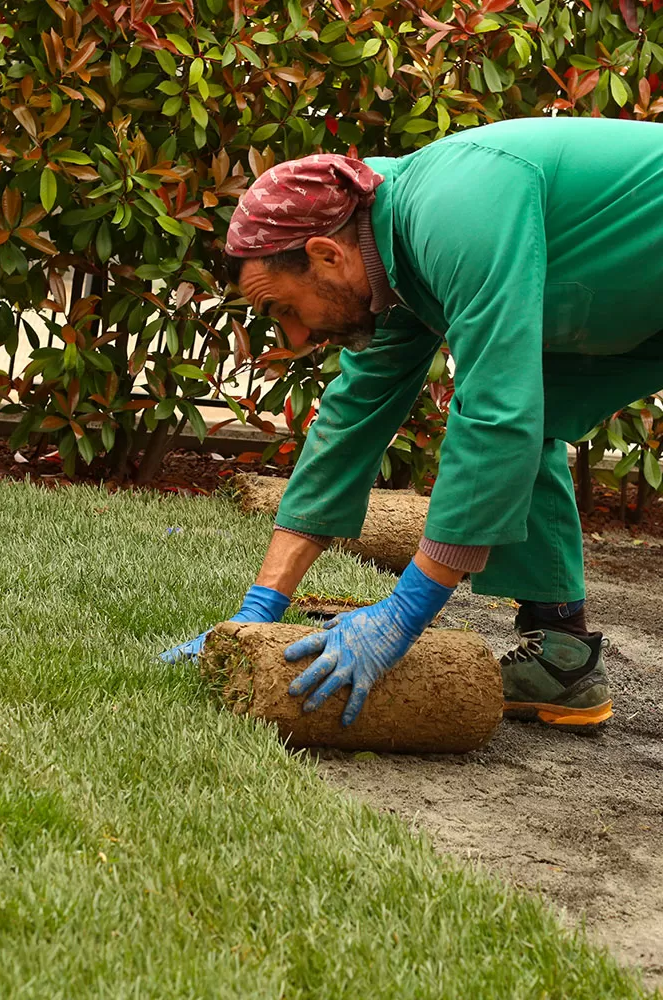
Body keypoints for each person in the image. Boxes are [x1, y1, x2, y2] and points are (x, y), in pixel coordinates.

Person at [161, 117, 663, 730]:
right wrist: (256, 614)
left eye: (283, 309)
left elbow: (498, 414)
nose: (293, 337)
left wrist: (404, 613)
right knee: (531, 410)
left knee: (502, 415)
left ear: (325, 254)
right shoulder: (388, 261)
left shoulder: (453, 211)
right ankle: (561, 655)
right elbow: (349, 423)